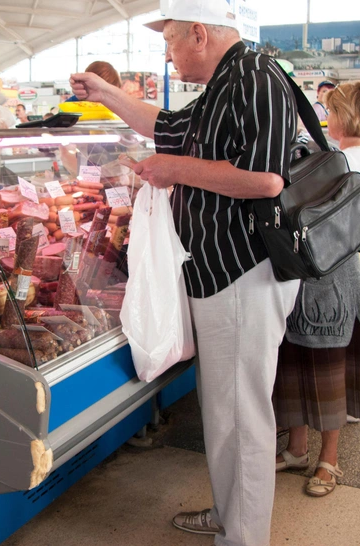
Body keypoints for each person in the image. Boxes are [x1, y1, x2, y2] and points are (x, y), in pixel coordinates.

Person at [71, 2, 300, 544]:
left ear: (199, 33)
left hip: (244, 269)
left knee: (241, 417)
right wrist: (106, 95)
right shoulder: (225, 80)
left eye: (171, 41)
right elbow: (168, 126)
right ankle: (231, 513)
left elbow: (267, 179)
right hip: (222, 272)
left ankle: (243, 535)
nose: (168, 54)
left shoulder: (255, 75)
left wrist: (174, 170)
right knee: (225, 412)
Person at [274, 81, 360, 498]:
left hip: (330, 277)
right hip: (315, 273)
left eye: (331, 111)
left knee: (326, 369)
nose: (326, 119)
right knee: (297, 363)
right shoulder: (353, 155)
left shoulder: (341, 159)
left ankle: (328, 459)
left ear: (344, 116)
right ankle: (298, 449)